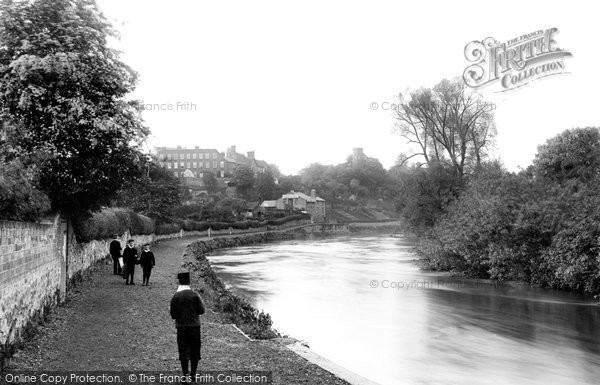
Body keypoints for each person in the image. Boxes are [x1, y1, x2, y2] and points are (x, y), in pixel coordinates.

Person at [170, 272, 205, 383]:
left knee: (183, 351)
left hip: (181, 327)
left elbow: (173, 315)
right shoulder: (195, 295)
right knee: (195, 351)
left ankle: (185, 375)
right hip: (195, 326)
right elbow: (202, 310)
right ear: (189, 281)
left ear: (179, 281)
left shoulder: (175, 296)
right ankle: (193, 375)